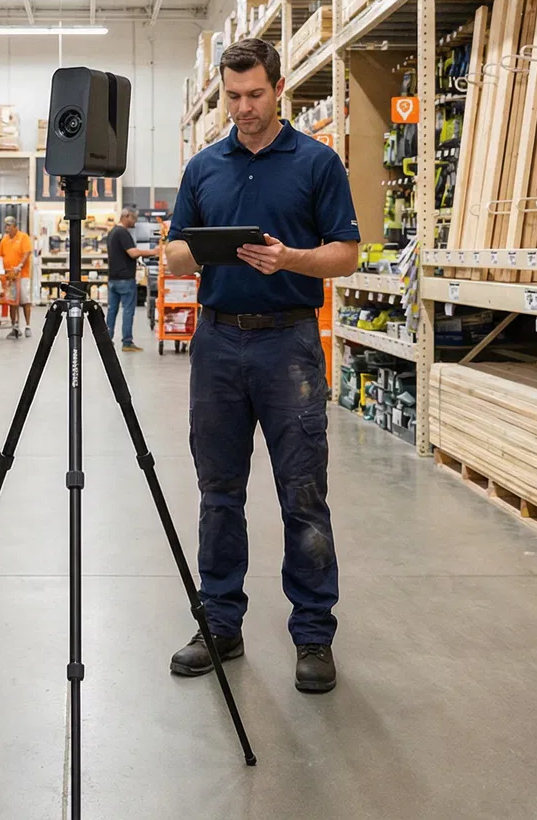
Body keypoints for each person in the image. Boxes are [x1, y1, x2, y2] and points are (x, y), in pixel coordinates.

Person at [162, 37, 360, 695]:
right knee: (220, 493)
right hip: (217, 344)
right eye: (233, 96)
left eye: (254, 95)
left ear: (279, 88)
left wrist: (292, 260)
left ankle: (313, 636)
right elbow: (175, 250)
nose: (243, 108)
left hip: (289, 345)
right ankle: (220, 624)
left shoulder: (317, 163)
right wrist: (187, 255)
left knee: (302, 492)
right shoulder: (203, 168)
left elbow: (346, 255)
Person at [104, 206, 157, 352]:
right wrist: (153, 251)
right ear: (126, 216)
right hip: (125, 279)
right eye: (133, 218)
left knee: (112, 310)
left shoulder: (112, 232)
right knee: (128, 311)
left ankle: (107, 340)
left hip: (113, 279)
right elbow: (133, 253)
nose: (134, 222)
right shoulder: (123, 233)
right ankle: (127, 342)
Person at [0, 216, 34, 338]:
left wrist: (20, 265)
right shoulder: (5, 240)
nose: (7, 228)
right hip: (9, 276)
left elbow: (27, 252)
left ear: (14, 226)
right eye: (5, 225)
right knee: (12, 301)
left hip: (22, 275)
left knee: (24, 300)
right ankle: (14, 326)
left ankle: (27, 326)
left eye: (9, 226)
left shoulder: (23, 237)